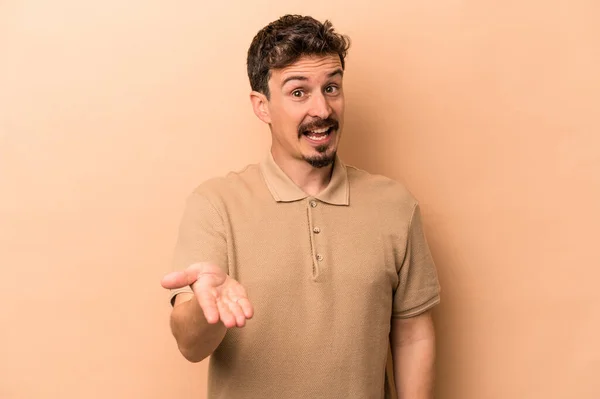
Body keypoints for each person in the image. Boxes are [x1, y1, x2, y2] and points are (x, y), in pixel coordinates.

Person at [161, 14, 441, 399]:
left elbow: (412, 336)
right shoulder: (215, 205)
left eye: (332, 88)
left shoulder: (395, 205)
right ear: (262, 106)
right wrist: (206, 310)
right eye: (298, 92)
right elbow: (191, 346)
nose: (322, 110)